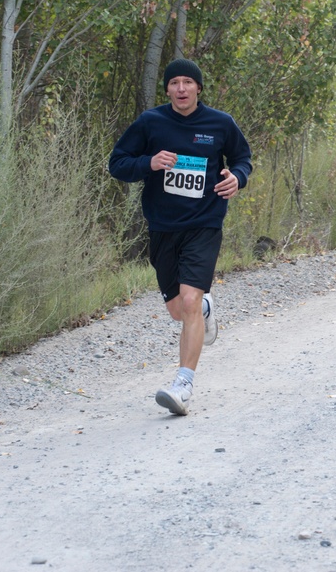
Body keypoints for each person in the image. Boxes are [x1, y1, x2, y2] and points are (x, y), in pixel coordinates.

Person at [109, 58, 253, 416]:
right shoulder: (151, 122)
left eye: (188, 82)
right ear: (168, 89)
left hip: (205, 222)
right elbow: (118, 163)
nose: (182, 88)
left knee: (187, 301)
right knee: (179, 310)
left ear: (199, 88)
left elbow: (243, 158)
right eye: (175, 83)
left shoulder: (220, 123)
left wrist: (237, 177)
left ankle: (183, 385)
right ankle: (204, 310)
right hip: (162, 226)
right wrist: (149, 163)